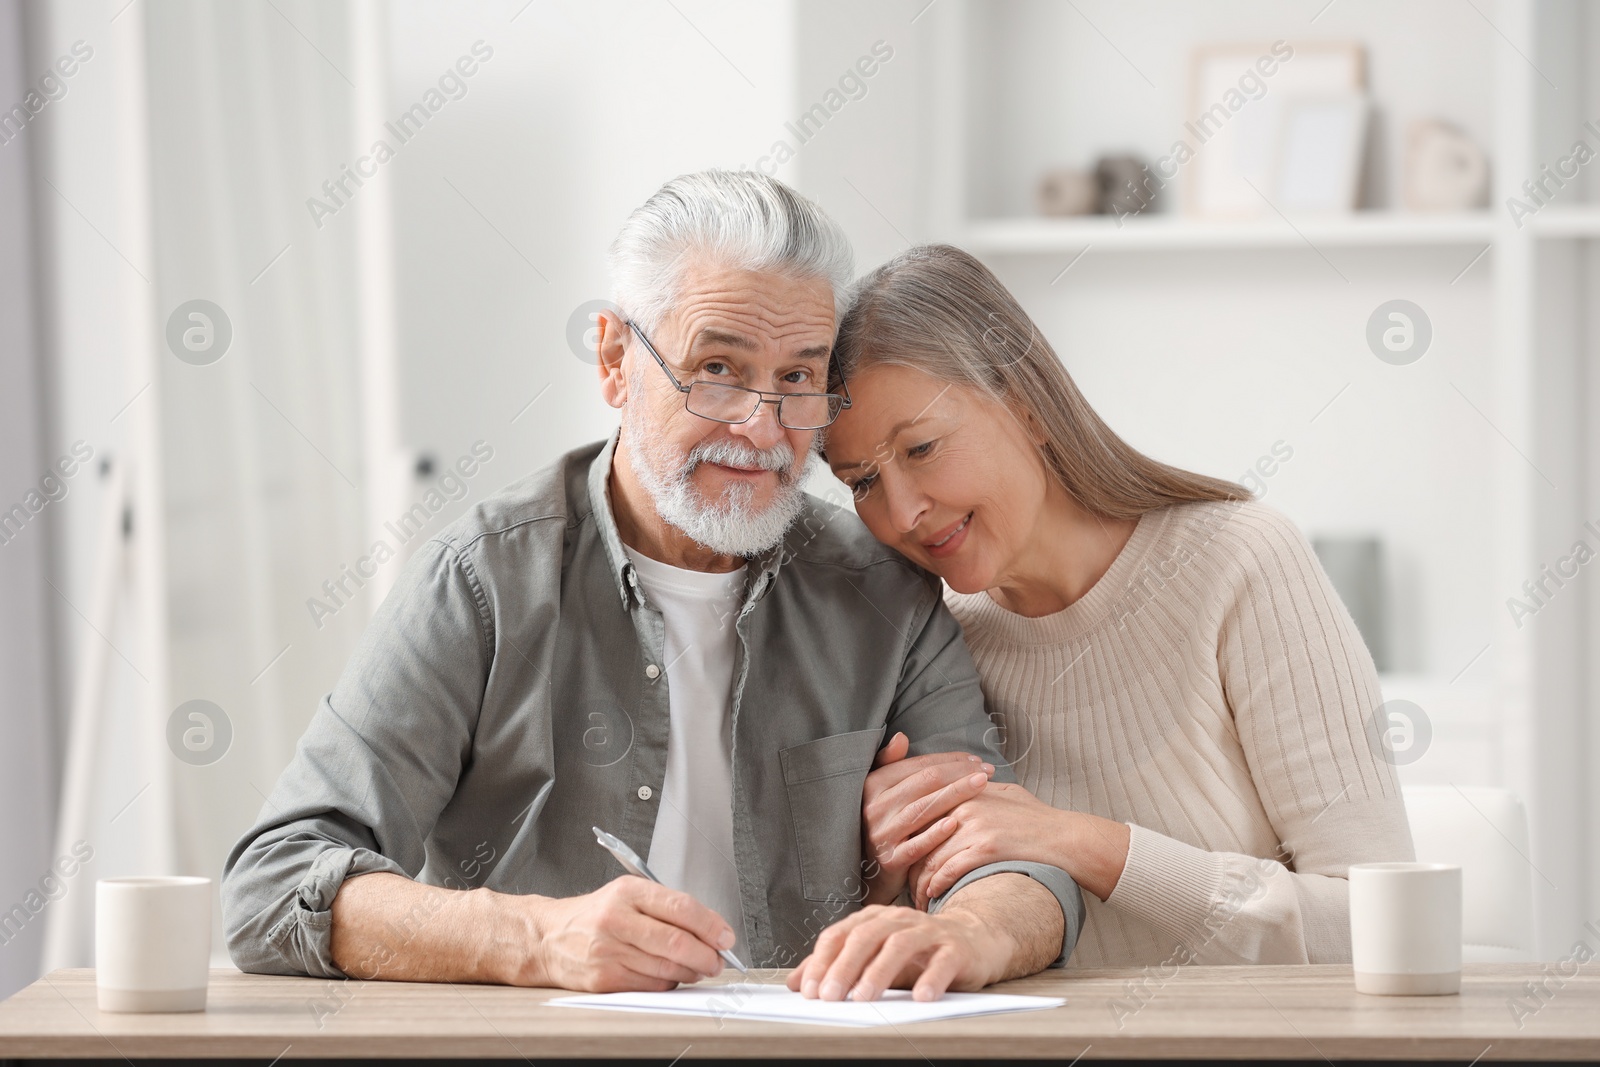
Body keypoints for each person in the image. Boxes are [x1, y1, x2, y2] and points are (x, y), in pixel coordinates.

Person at [220, 174, 1083, 1001]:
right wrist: (532, 940)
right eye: (717, 367)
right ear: (614, 359)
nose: (760, 426)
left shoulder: (886, 596)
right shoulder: (482, 581)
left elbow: (1017, 862)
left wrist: (971, 931)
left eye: (797, 378)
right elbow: (274, 882)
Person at [824, 244, 1414, 967]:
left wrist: (1088, 845)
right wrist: (884, 869)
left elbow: (1382, 927)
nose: (904, 510)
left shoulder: (1240, 563)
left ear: (1027, 405)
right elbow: (944, 953)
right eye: (861, 482)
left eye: (920, 448)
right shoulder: (932, 647)